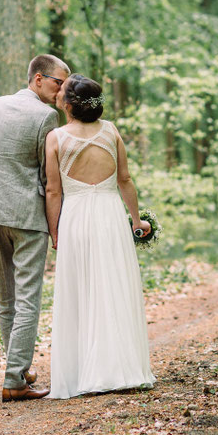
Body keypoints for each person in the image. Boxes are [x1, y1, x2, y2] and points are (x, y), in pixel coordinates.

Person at [0, 54, 68, 402]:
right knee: (27, 297)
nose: (62, 91)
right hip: (26, 214)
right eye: (58, 83)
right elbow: (46, 172)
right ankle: (15, 379)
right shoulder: (47, 116)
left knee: (7, 295)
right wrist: (56, 223)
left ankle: (17, 368)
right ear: (38, 79)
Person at [44, 74, 156, 398]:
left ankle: (84, 371)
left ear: (68, 106)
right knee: (113, 286)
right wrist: (136, 220)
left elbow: (53, 190)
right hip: (109, 216)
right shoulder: (111, 131)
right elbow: (125, 180)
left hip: (76, 217)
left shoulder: (55, 138)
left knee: (81, 290)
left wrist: (55, 231)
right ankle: (122, 366)